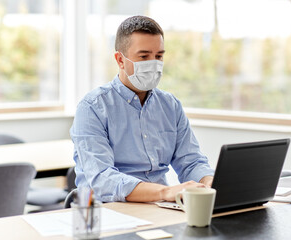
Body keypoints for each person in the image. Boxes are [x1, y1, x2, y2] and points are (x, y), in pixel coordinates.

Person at [70, 15, 214, 203]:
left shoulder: (170, 106)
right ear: (120, 60)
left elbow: (191, 162)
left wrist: (209, 184)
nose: (153, 63)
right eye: (144, 56)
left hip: (160, 207)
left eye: (159, 56)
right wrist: (165, 192)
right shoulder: (92, 108)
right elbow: (102, 179)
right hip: (109, 210)